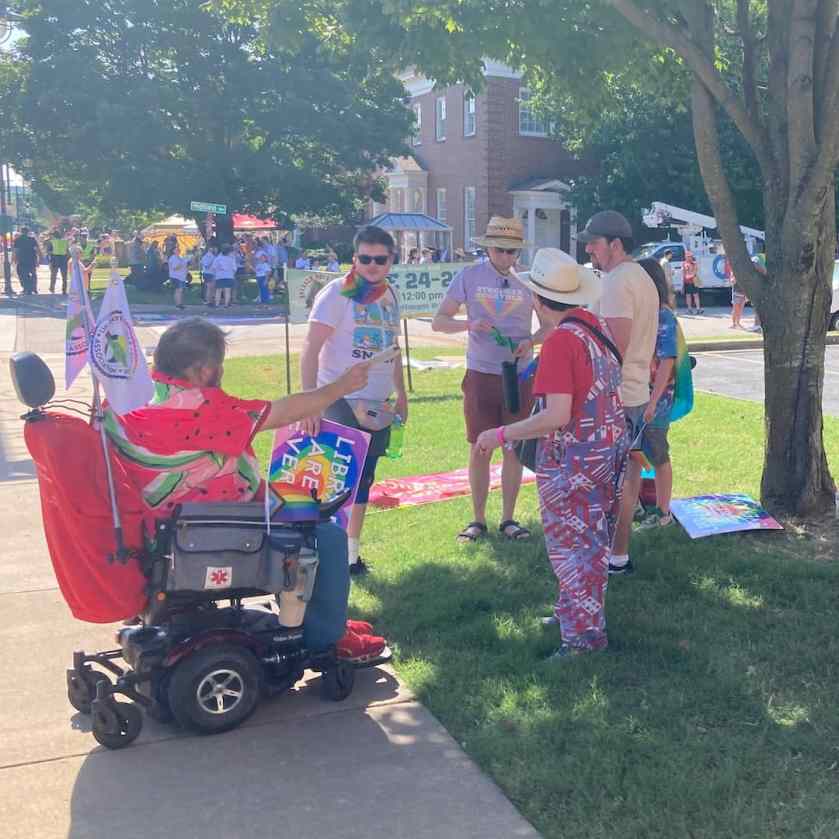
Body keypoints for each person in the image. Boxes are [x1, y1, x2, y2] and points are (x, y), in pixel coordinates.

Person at [105, 317, 385, 660]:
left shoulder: (141, 408)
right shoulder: (206, 411)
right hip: (211, 530)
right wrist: (339, 387)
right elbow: (283, 412)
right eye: (219, 365)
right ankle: (329, 635)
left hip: (168, 529)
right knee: (326, 534)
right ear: (203, 370)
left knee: (299, 505)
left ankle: (319, 618)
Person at [475, 249, 627, 658]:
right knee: (591, 544)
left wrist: (501, 433)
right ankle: (574, 614)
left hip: (572, 462)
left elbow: (557, 415)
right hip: (605, 454)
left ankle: (582, 640)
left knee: (573, 549)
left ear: (539, 301)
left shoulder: (561, 342)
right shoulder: (595, 327)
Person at [299, 225, 408, 576]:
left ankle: (350, 555)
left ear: (392, 260)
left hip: (376, 403)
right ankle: (316, 553)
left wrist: (402, 393)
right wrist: (311, 403)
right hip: (337, 396)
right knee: (334, 479)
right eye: (365, 258)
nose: (372, 266)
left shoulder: (390, 295)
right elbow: (310, 349)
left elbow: (394, 350)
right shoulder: (336, 294)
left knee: (364, 480)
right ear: (354, 258)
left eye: (380, 259)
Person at [432, 216, 547, 543]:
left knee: (513, 447)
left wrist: (533, 340)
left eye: (513, 252)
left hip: (519, 376)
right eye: (500, 250)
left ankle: (509, 519)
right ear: (488, 248)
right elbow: (439, 321)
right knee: (480, 447)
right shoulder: (469, 276)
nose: (507, 258)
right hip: (481, 374)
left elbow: (551, 325)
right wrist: (468, 326)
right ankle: (478, 519)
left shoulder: (527, 283)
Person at [580, 210, 658, 576]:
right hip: (635, 392)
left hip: (616, 395)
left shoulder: (617, 281)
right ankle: (618, 556)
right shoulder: (640, 276)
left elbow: (614, 348)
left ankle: (612, 553)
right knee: (627, 476)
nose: (590, 249)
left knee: (612, 482)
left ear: (615, 244)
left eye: (594, 243)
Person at [636, 258, 677, 529]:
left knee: (658, 454)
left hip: (656, 397)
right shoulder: (643, 313)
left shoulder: (663, 315)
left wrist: (653, 402)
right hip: (638, 393)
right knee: (633, 449)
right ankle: (637, 505)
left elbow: (667, 361)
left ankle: (663, 514)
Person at [13, 227, 40, 294]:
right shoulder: (32, 239)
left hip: (22, 259)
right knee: (33, 273)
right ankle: (33, 288)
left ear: (21, 231)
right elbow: (37, 249)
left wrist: (14, 259)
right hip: (32, 259)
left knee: (22, 274)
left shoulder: (18, 240)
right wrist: (39, 258)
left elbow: (16, 250)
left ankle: (26, 288)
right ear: (28, 232)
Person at [211, 244, 237, 308]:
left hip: (219, 276)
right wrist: (232, 274)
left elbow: (213, 268)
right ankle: (226, 304)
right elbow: (234, 269)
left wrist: (216, 274)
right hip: (229, 276)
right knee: (227, 290)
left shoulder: (218, 258)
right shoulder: (231, 259)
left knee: (218, 290)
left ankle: (217, 304)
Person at [167, 243, 190, 310]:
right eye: (176, 249)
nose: (178, 250)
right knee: (178, 290)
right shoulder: (173, 258)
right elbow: (175, 268)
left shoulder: (180, 257)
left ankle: (180, 303)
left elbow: (185, 265)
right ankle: (178, 304)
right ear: (173, 251)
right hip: (176, 277)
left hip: (181, 277)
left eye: (178, 249)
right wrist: (182, 263)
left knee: (180, 290)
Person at [48, 228, 70, 294]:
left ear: (54, 236)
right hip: (63, 260)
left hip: (55, 260)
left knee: (53, 275)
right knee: (64, 276)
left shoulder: (51, 242)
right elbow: (68, 252)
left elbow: (48, 251)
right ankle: (64, 290)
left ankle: (52, 288)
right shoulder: (65, 242)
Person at [683, 250, 702, 314]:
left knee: (695, 295)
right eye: (688, 256)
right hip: (687, 282)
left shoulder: (694, 263)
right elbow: (683, 273)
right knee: (688, 295)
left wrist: (690, 275)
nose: (689, 258)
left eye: (690, 256)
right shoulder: (684, 263)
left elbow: (695, 271)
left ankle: (698, 309)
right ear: (685, 257)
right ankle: (689, 309)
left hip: (693, 281)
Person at [253, 239, 272, 304]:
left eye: (262, 258)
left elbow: (268, 272)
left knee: (264, 290)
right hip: (259, 277)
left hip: (263, 277)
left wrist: (266, 279)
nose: (260, 258)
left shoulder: (265, 264)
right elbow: (256, 270)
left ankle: (265, 302)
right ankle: (261, 300)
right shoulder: (259, 264)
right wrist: (251, 267)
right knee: (261, 289)